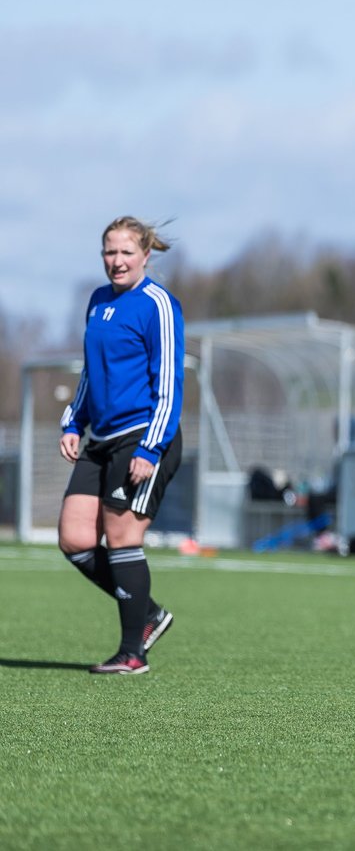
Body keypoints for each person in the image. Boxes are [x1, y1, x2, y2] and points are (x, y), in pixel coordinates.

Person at [58, 216, 185, 675]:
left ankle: (133, 652)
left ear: (145, 255)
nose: (117, 261)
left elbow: (169, 384)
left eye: (126, 252)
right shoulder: (97, 301)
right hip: (100, 439)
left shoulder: (159, 305)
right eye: (110, 252)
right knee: (74, 539)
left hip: (143, 437)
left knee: (122, 538)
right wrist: (74, 420)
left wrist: (150, 449)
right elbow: (92, 372)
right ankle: (147, 613)